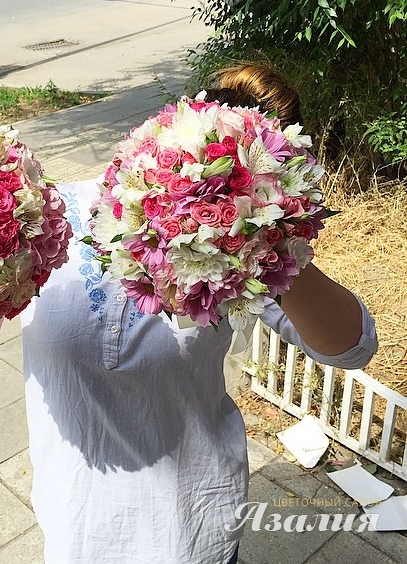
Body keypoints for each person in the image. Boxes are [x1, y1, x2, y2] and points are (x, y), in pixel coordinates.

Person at [20, 64, 378, 564]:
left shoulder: (242, 259)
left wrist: (275, 243)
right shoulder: (56, 216)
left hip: (192, 528)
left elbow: (353, 348)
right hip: (74, 519)